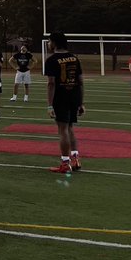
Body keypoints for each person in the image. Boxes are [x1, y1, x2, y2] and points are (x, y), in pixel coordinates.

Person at [44, 32, 84, 174]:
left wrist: (49, 105)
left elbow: (51, 83)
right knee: (70, 128)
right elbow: (80, 82)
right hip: (73, 96)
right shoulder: (74, 58)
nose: (48, 44)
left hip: (61, 97)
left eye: (49, 41)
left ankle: (65, 162)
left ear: (54, 43)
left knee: (62, 130)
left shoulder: (51, 60)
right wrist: (81, 102)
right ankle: (75, 158)